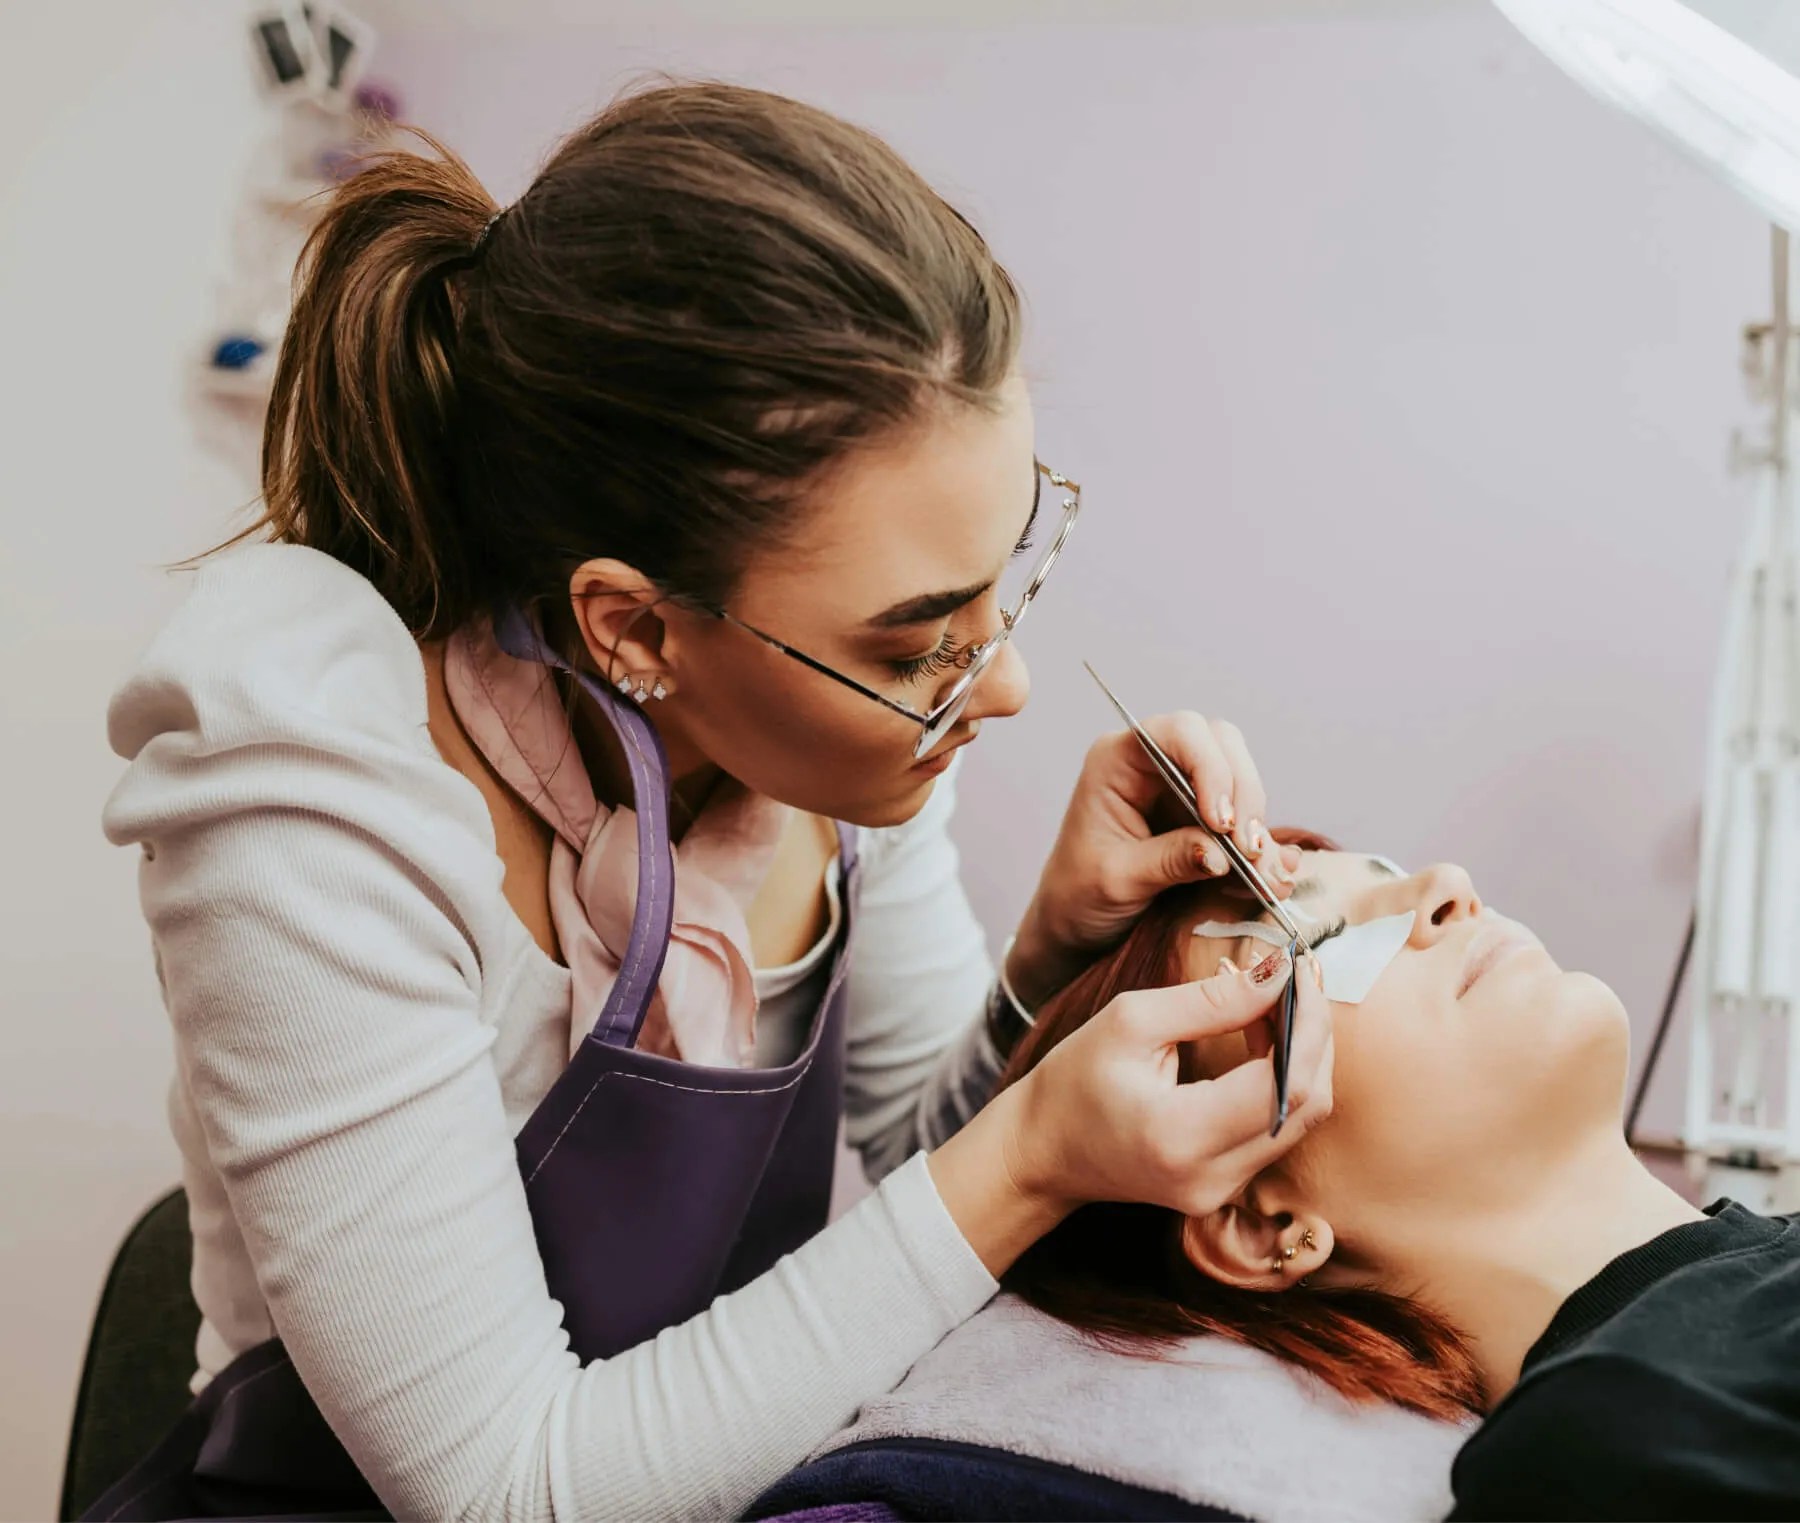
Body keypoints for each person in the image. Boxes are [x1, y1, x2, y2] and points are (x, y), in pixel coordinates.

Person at [92, 82, 1335, 1522]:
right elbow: (508, 1485)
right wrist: (1040, 1149)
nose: (1001, 688)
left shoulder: (828, 745)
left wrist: (1048, 965)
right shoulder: (312, 795)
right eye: (918, 640)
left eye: (1008, 580)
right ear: (635, 630)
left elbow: (918, 1151)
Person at [988, 830, 1800, 1520]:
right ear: (1259, 1220)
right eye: (1315, 937)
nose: (1446, 885)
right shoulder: (1610, 1446)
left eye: (1386, 868)